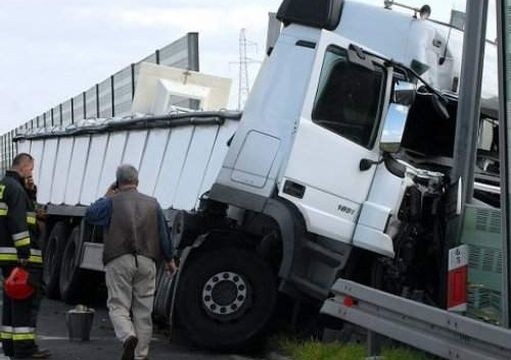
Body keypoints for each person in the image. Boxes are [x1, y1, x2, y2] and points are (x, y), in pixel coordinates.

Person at [85, 164, 176, 360]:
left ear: (118, 183)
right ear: (137, 181)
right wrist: (169, 259)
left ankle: (127, 336)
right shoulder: (153, 204)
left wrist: (107, 195)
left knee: (118, 304)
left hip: (119, 259)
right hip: (146, 260)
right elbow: (163, 233)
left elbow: (91, 215)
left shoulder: (112, 202)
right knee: (143, 310)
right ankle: (140, 355)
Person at [0, 153, 51, 359]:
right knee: (24, 302)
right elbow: (19, 223)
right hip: (20, 257)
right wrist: (24, 252)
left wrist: (30, 194)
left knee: (11, 300)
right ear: (23, 167)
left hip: (5, 256)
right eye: (30, 169)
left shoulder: (5, 186)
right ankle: (25, 349)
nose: (31, 173)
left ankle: (10, 345)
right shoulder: (16, 190)